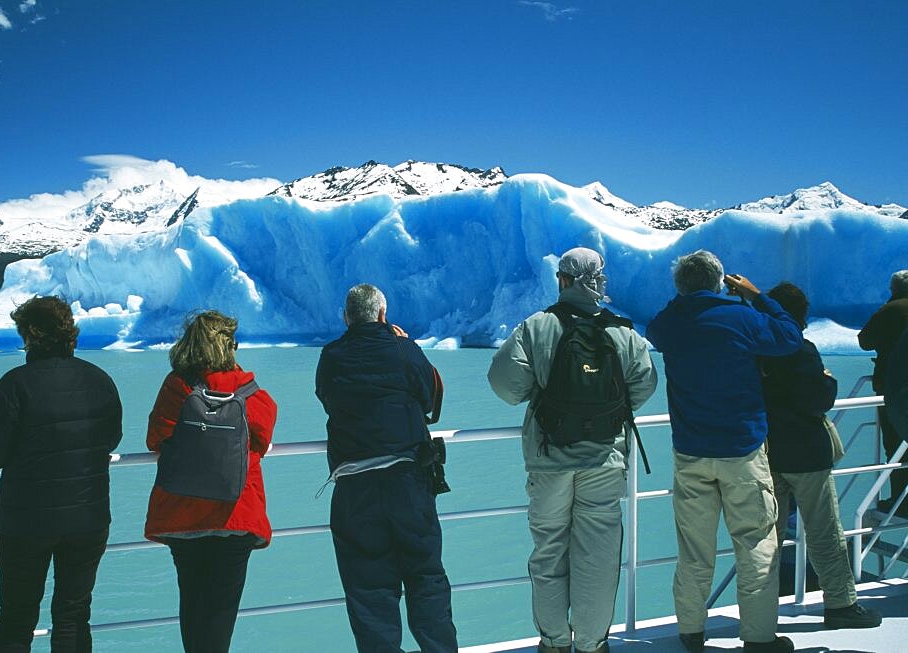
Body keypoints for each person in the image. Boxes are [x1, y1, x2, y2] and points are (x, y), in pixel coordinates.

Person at [488, 247, 657, 653]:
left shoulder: (536, 327)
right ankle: (593, 643)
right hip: (604, 457)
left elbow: (504, 384)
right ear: (600, 283)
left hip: (549, 458)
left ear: (561, 280)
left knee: (549, 552)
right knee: (597, 558)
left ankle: (554, 641)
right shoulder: (625, 334)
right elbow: (644, 387)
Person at [646, 251, 803, 653]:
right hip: (742, 450)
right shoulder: (743, 317)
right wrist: (756, 295)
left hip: (691, 453)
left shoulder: (670, 323)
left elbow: (656, 327)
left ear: (680, 287)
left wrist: (687, 295)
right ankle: (758, 637)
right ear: (720, 283)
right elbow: (789, 337)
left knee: (694, 548)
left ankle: (691, 631)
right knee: (755, 543)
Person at [0, 296, 123, 652]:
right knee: (73, 615)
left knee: (16, 617)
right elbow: (111, 438)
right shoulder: (100, 381)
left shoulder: (13, 386)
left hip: (25, 523)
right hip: (88, 518)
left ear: (31, 335)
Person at [315, 284, 457, 653]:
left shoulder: (331, 356)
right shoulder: (403, 349)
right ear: (382, 314)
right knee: (426, 580)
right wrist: (402, 343)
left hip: (354, 490)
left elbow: (329, 400)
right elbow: (430, 397)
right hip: (407, 483)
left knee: (368, 592)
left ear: (347, 317)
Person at [144, 310, 278, 653]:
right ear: (229, 346)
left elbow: (157, 437)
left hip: (183, 515)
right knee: (221, 614)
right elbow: (262, 437)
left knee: (192, 606)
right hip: (234, 515)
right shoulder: (247, 388)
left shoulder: (177, 385)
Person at [760, 282, 882, 629]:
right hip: (806, 454)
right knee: (824, 530)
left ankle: (760, 607)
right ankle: (840, 603)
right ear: (798, 315)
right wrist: (828, 380)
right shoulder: (801, 350)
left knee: (768, 533)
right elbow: (817, 398)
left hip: (768, 451)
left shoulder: (757, 350)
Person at [858, 269, 908, 516]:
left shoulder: (892, 309)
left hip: (894, 388)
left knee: (895, 443)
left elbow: (865, 340)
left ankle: (901, 500)